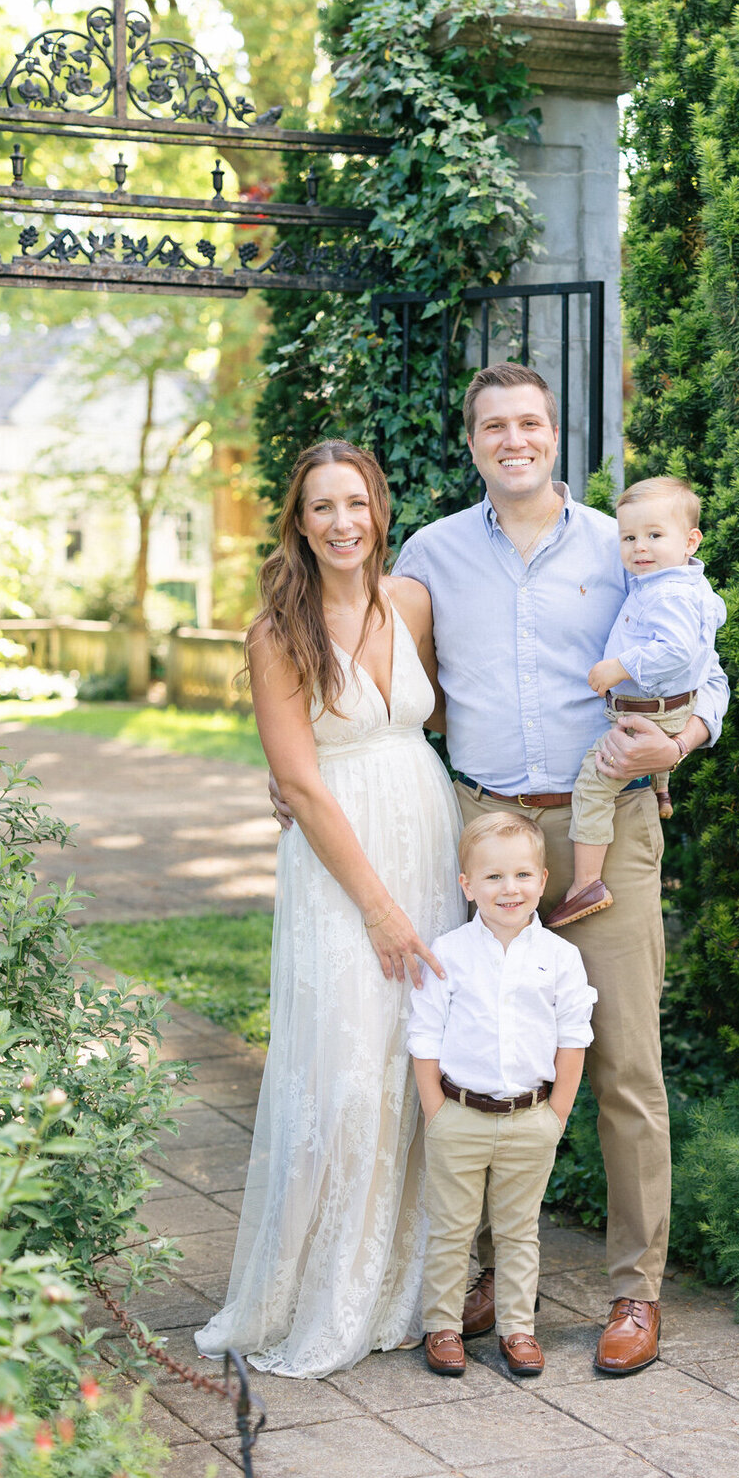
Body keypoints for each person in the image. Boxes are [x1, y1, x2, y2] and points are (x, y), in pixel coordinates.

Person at [391, 363, 730, 1375]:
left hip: (608, 827)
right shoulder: (433, 551)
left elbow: (699, 654)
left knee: (626, 1065)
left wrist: (691, 734)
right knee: (479, 1056)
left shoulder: (621, 544)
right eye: (493, 425)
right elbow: (386, 674)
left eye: (530, 423)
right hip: (486, 827)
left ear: (557, 435)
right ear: (471, 441)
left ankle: (634, 1292)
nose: (513, 440)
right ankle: (487, 1275)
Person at [197, 439, 463, 1378]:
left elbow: (427, 721)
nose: (343, 522)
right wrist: (381, 911)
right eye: (322, 507)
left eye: (357, 502)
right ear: (298, 524)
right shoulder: (277, 634)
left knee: (415, 1063)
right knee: (343, 1070)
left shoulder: (415, 604)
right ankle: (311, 1291)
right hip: (340, 864)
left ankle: (409, 1287)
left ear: (380, 510)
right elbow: (301, 786)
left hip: (427, 838)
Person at [409, 812, 596, 1378]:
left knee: (519, 1231)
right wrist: (435, 1112)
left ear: (541, 880)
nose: (507, 889)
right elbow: (424, 1037)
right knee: (451, 1228)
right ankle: (442, 1327)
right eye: (492, 877)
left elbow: (573, 1038)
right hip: (459, 1115)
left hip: (530, 1117)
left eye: (520, 875)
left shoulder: (560, 958)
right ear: (467, 886)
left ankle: (518, 1330)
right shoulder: (449, 953)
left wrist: (557, 1113)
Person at [546, 475, 726, 929]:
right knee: (651, 742)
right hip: (667, 711)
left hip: (648, 715)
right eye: (628, 538)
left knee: (594, 783)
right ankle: (661, 789)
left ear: (691, 540)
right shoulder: (680, 584)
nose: (639, 548)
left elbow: (678, 652)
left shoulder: (666, 593)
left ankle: (586, 882)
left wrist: (618, 667)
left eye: (654, 536)